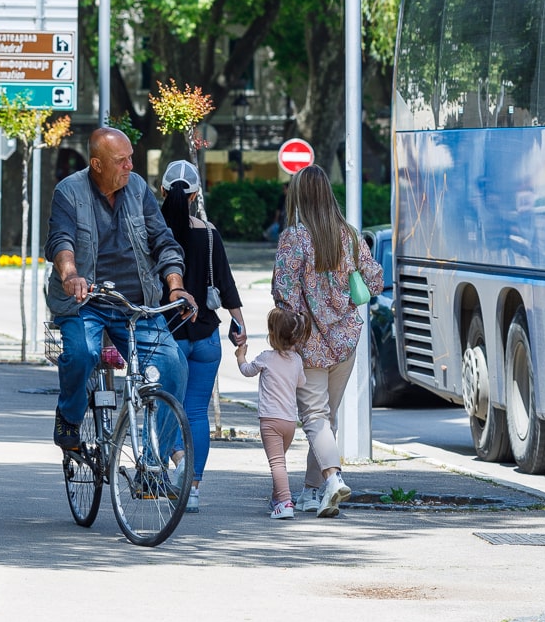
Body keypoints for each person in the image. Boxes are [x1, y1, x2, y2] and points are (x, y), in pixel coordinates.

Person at [45, 127, 196, 452]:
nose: (130, 165)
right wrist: (70, 274)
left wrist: (175, 286)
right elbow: (61, 239)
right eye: (121, 160)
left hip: (136, 303)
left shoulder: (138, 188)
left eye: (131, 158)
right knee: (83, 353)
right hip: (84, 302)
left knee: (173, 365)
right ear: (97, 164)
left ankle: (153, 464)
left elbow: (163, 241)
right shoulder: (69, 191)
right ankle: (69, 415)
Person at [272, 164, 383, 517]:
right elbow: (375, 282)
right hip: (346, 341)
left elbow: (284, 292)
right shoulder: (349, 236)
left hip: (309, 343)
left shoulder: (295, 238)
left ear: (301, 195)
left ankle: (333, 479)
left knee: (315, 418)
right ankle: (310, 492)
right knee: (326, 419)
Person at [159, 159, 247, 513]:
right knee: (196, 412)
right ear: (195, 195)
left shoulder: (155, 233)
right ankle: (192, 488)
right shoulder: (209, 234)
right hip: (207, 337)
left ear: (162, 191)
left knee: (162, 408)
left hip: (169, 335)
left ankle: (178, 464)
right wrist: (240, 326)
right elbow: (227, 286)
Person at [235, 307, 309, 519]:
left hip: (270, 421)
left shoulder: (266, 358)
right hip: (289, 422)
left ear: (272, 335)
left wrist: (241, 356)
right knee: (280, 461)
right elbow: (301, 382)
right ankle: (277, 499)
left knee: (277, 463)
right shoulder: (296, 361)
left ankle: (285, 502)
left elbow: (247, 370)